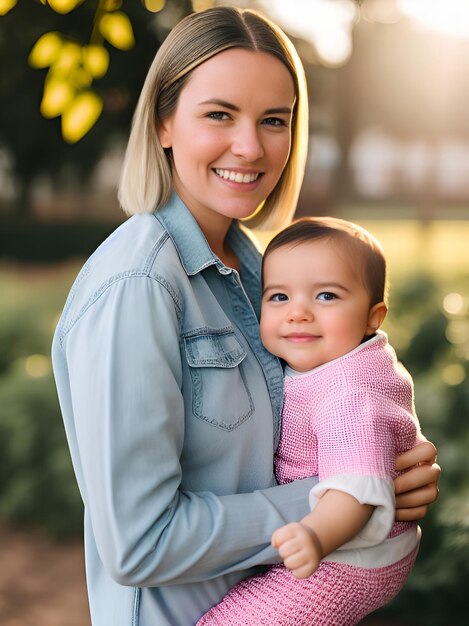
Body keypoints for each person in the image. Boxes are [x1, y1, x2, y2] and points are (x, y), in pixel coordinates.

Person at [51, 7, 440, 626]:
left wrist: (383, 475)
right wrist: (337, 503)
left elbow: (327, 420)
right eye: (219, 114)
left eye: (274, 120)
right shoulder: (139, 283)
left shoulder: (266, 273)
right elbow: (140, 541)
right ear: (164, 123)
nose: (250, 146)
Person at [198, 217, 425, 626]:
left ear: (374, 317)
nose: (298, 313)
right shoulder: (327, 358)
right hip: (332, 540)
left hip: (350, 554)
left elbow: (356, 489)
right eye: (279, 297)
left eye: (325, 295)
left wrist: (316, 536)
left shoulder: (349, 396)